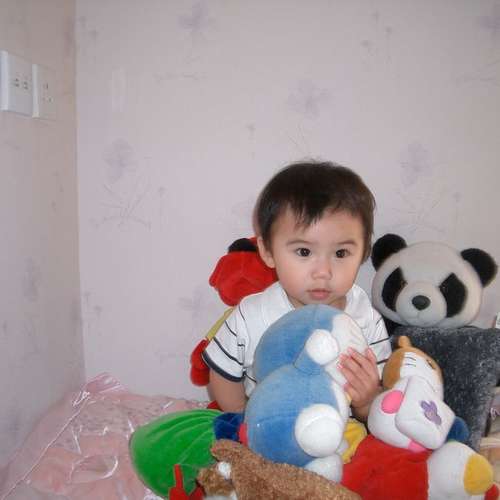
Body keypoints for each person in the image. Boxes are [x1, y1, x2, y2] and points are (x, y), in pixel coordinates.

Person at [202, 160, 391, 421]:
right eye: (304, 252)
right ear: (268, 251)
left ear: (364, 253)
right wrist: (242, 418)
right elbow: (222, 374)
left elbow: (374, 407)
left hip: (340, 431)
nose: (323, 271)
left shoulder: (366, 318)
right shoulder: (252, 314)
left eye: (341, 253)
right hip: (269, 428)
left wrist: (367, 400)